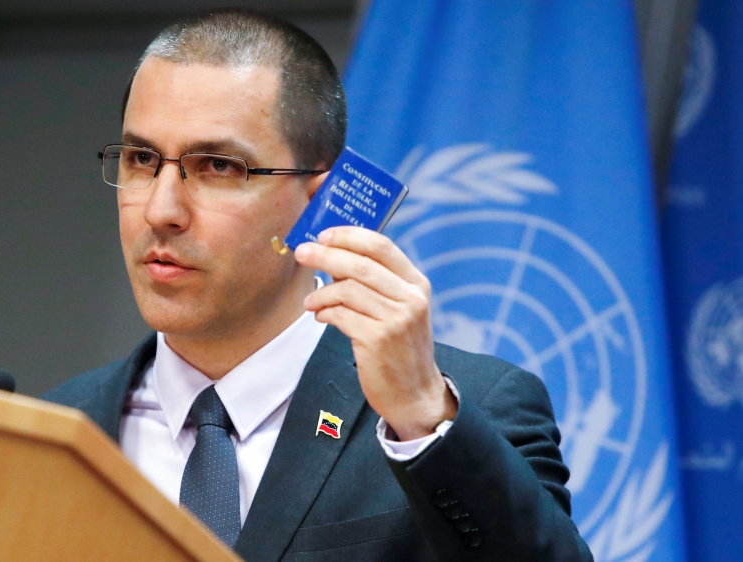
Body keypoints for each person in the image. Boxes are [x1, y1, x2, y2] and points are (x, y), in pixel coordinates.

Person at [43, 8, 592, 561]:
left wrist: (421, 414)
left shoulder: (457, 412)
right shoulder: (44, 431)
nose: (161, 211)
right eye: (141, 159)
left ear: (317, 200)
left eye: (218, 167)